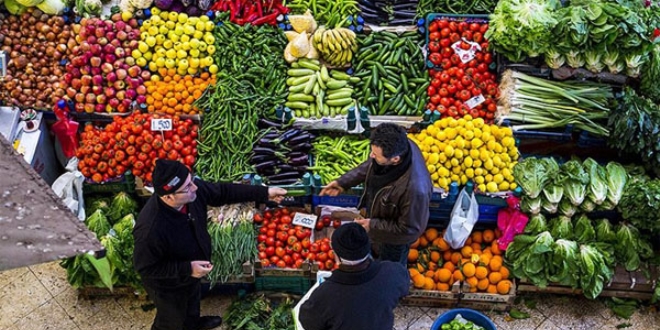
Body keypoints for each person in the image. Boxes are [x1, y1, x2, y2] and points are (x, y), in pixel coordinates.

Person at [133, 159, 287, 330]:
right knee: (173, 318)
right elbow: (146, 268)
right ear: (168, 196)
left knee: (192, 303)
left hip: (192, 271)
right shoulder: (150, 229)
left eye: (191, 180)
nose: (195, 188)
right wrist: (187, 269)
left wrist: (264, 192)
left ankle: (194, 323)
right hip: (168, 285)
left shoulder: (191, 194)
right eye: (188, 187)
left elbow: (223, 192)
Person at [320, 123, 433, 265]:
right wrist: (343, 182)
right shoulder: (400, 145)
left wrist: (372, 225)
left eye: (376, 154)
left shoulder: (415, 190)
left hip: (394, 240)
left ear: (395, 159)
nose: (370, 155)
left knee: (389, 267)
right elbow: (372, 164)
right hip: (380, 219)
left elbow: (410, 230)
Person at [298, 222, 410, 330]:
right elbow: (403, 288)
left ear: (335, 254)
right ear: (368, 247)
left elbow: (308, 322)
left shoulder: (324, 294)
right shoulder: (393, 272)